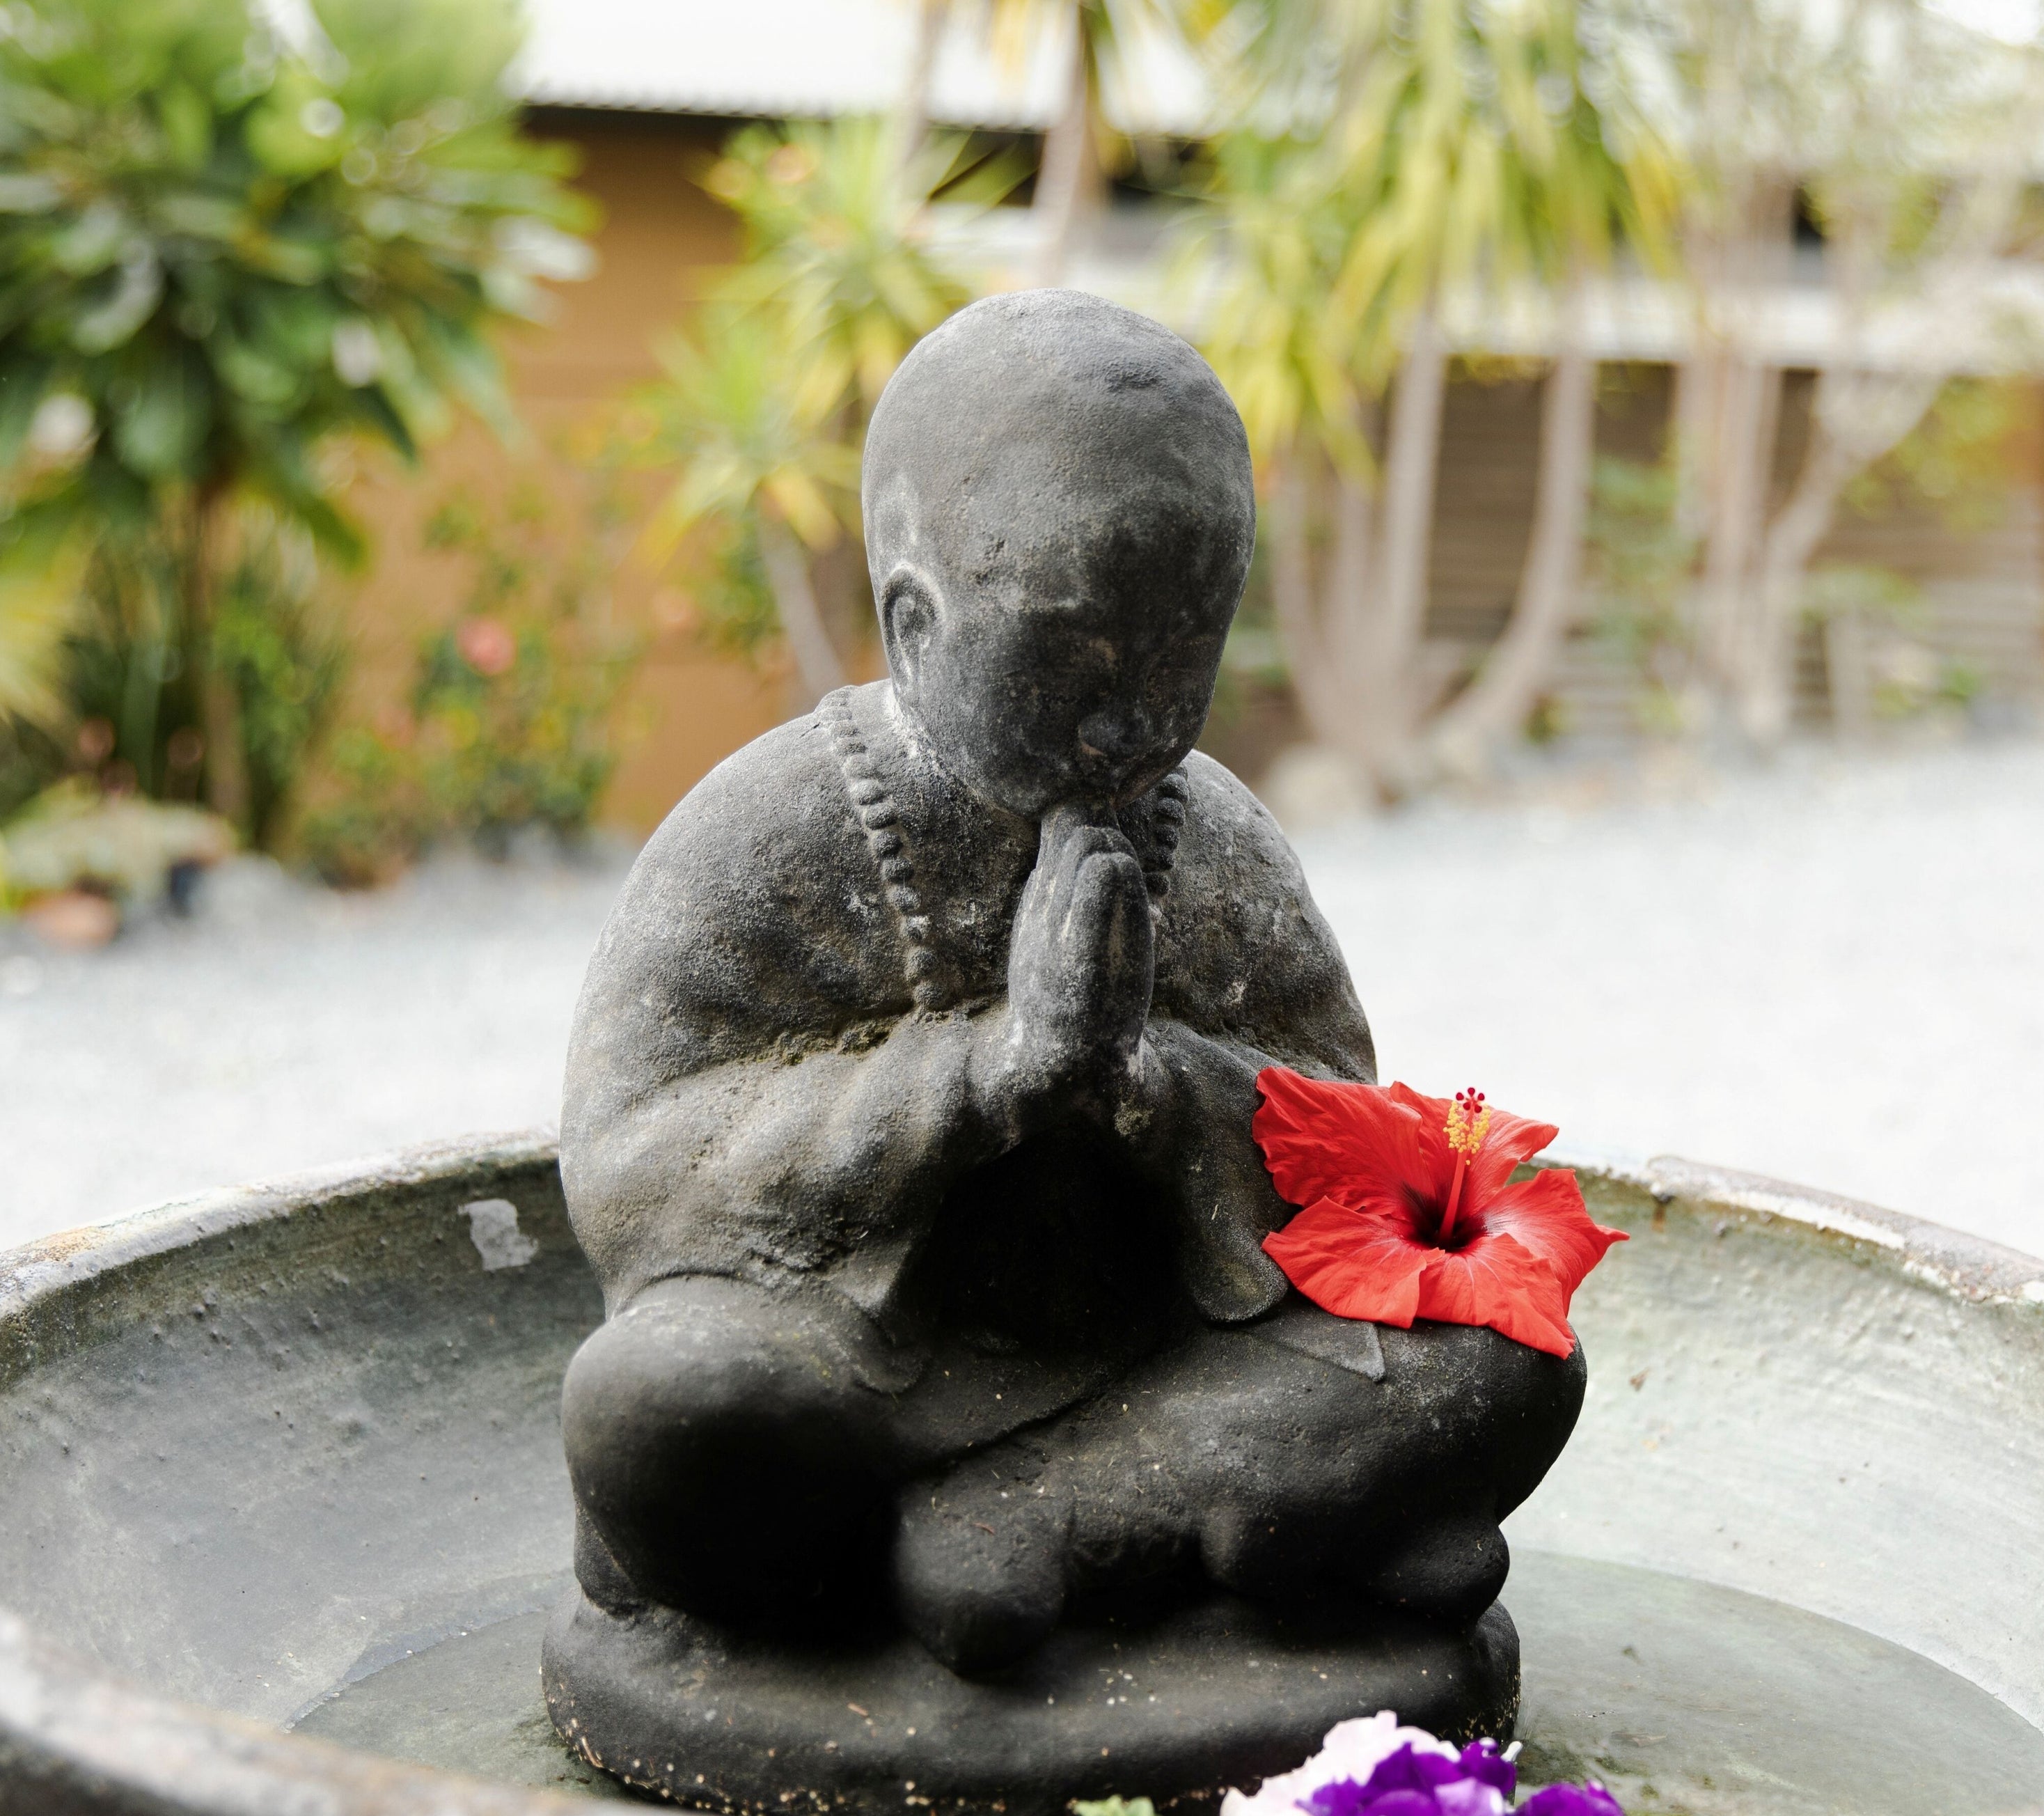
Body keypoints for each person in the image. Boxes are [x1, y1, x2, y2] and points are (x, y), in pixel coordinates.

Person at [556, 290, 1582, 1675]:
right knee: (660, 1405)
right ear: (914, 626)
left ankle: (1065, 1516)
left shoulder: (1210, 836)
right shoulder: (771, 833)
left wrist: (1157, 1087)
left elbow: (1357, 1143)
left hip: (1166, 1370)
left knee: (1508, 1324)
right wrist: (993, 1074)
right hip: (859, 1381)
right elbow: (630, 1167)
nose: (1129, 720)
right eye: (1066, 659)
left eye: (1181, 663)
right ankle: (1256, 1530)